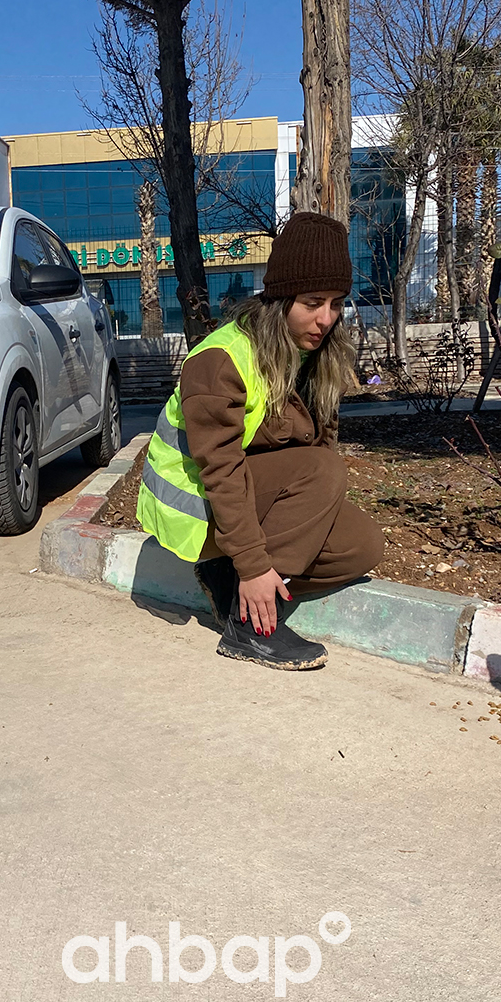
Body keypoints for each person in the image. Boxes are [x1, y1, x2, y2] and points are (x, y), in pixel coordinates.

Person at [137, 212, 385, 669]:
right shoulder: (222, 358)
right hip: (197, 508)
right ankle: (249, 626)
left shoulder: (315, 354)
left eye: (336, 304)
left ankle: (227, 579)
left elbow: (317, 445)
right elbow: (221, 471)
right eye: (313, 302)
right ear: (281, 297)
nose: (326, 319)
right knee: (322, 469)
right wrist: (253, 564)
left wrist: (313, 513)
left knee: (361, 546)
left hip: (248, 503)